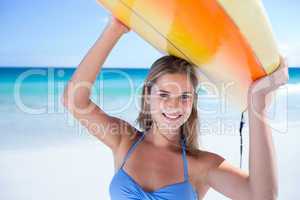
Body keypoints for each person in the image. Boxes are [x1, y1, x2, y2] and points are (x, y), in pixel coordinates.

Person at [62, 15, 289, 200]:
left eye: (184, 96)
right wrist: (114, 30)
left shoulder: (202, 166)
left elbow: (263, 196)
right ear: (147, 96)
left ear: (193, 102)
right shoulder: (124, 141)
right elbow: (75, 101)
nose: (174, 105)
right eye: (164, 94)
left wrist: (257, 107)